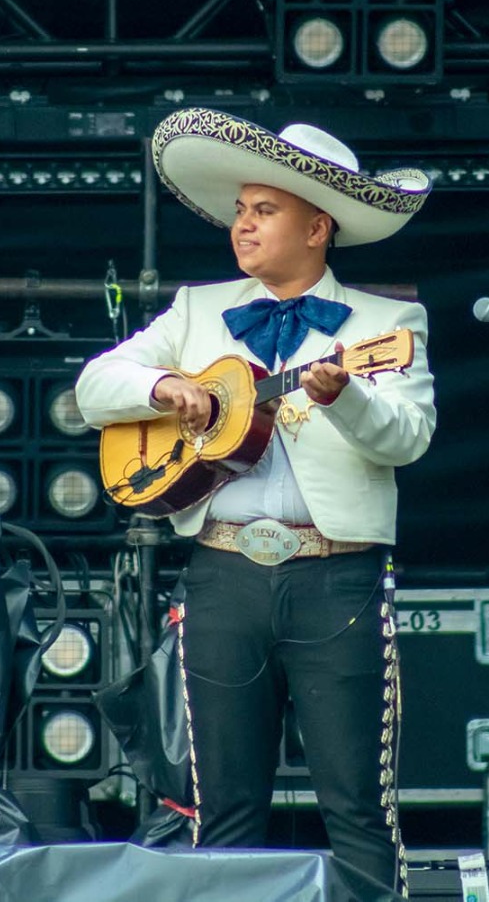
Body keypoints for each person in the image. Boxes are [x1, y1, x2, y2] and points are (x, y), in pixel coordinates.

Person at [75, 107, 436, 893]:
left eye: (264, 210)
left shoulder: (389, 322)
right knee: (226, 808)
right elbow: (94, 384)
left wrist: (346, 399)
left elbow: (407, 437)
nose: (243, 224)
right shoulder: (198, 309)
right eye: (241, 209)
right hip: (224, 574)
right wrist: (169, 386)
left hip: (334, 577)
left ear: (318, 227)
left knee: (358, 806)